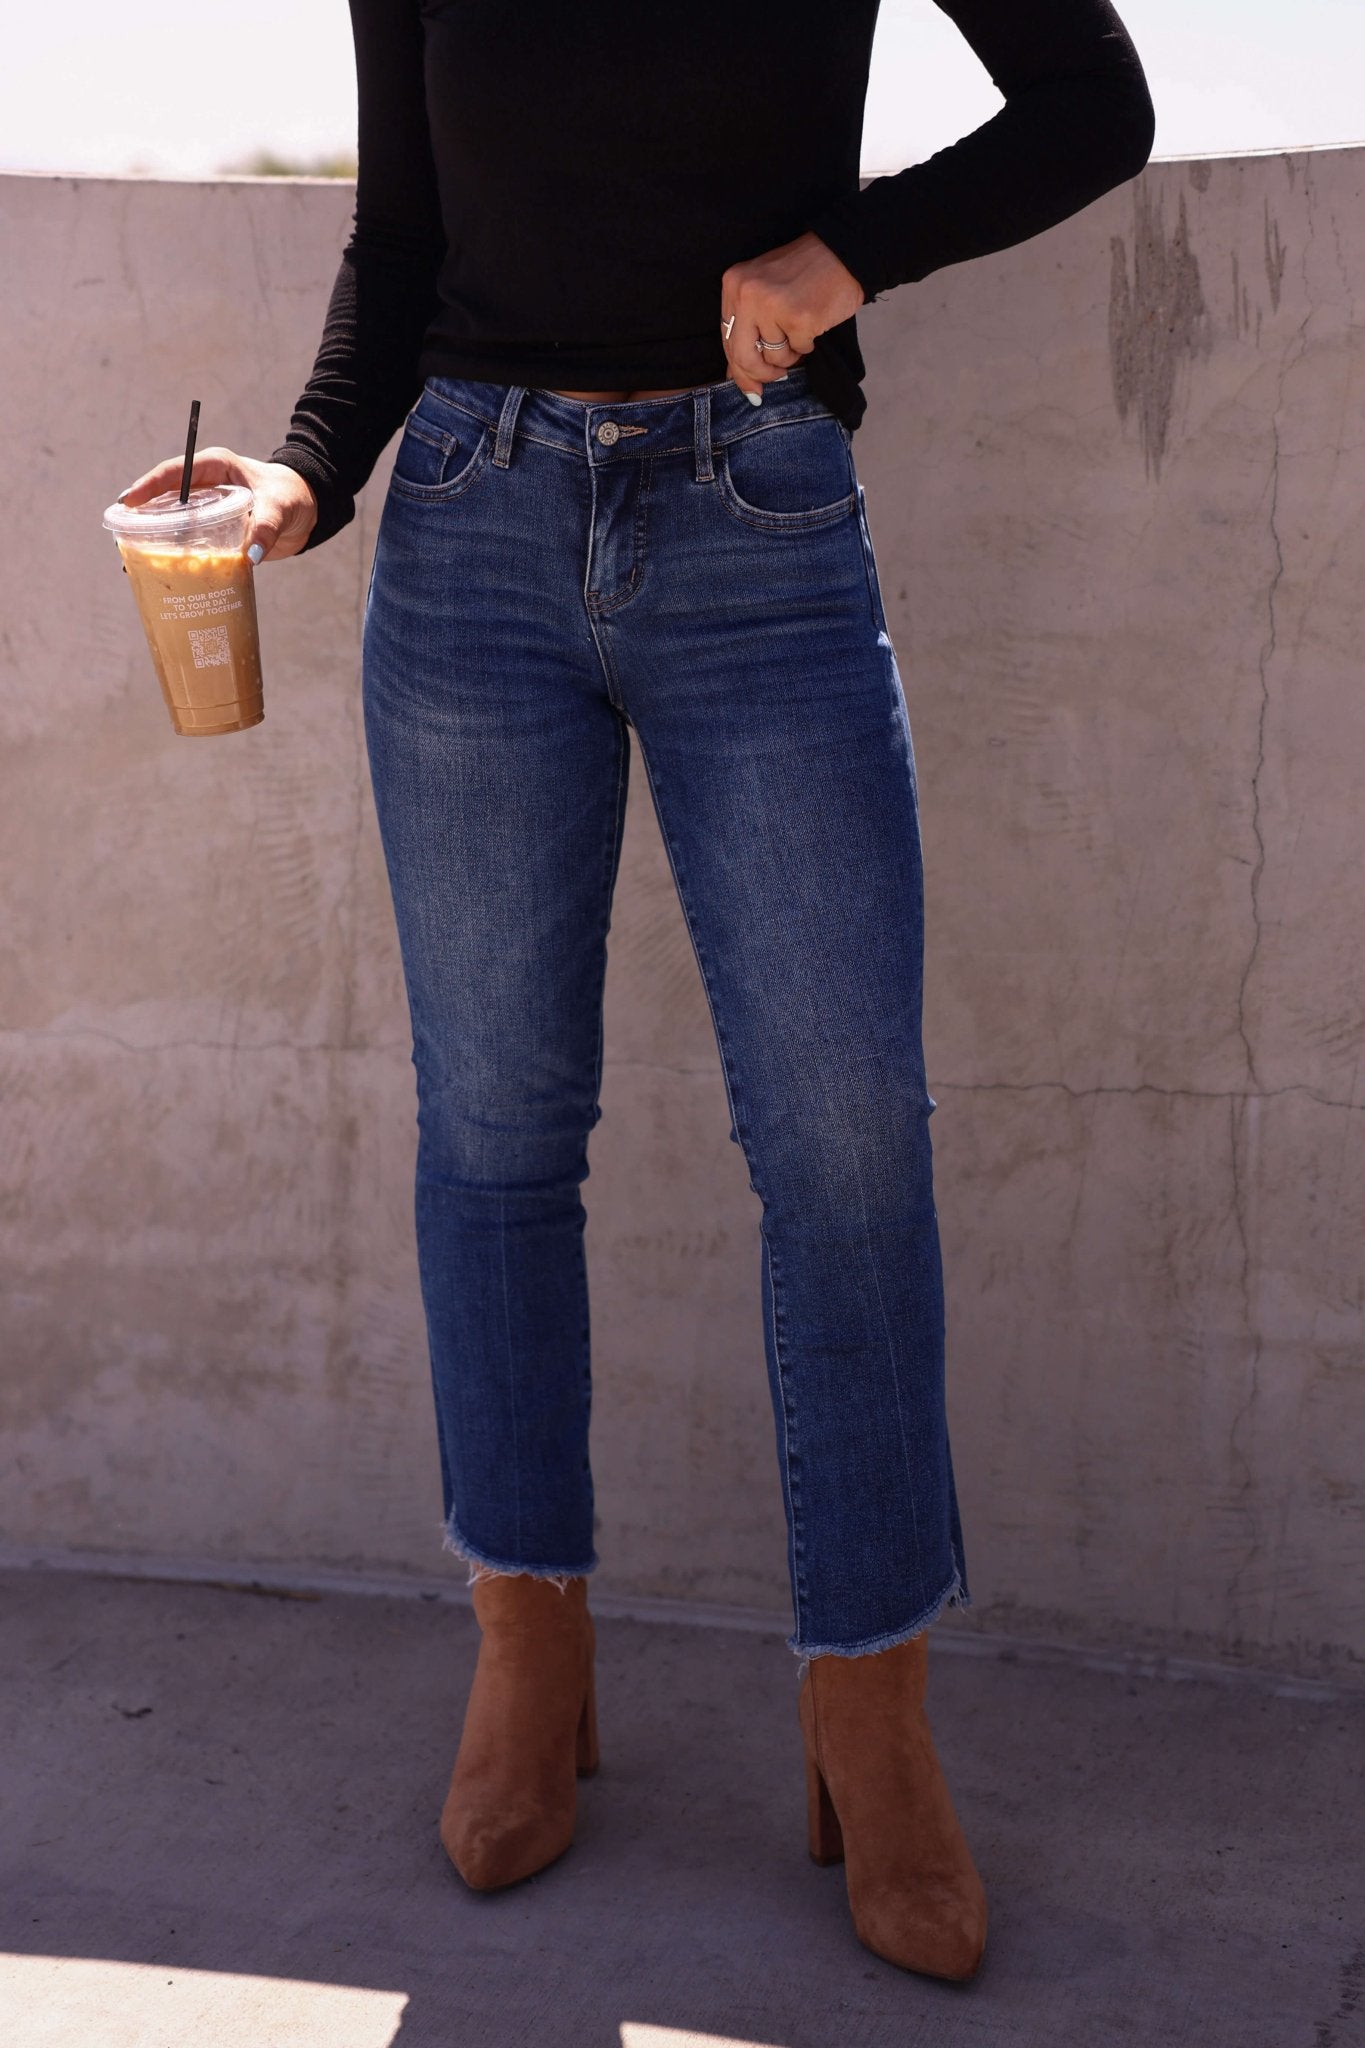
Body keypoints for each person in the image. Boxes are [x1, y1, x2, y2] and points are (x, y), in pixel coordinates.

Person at [119, 0, 1154, 1983]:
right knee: (496, 1132)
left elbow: (1091, 105)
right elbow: (401, 237)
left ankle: (867, 1705)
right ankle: (531, 1648)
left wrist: (848, 252)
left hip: (757, 513)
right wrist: (306, 477)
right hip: (469, 532)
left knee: (846, 1148)